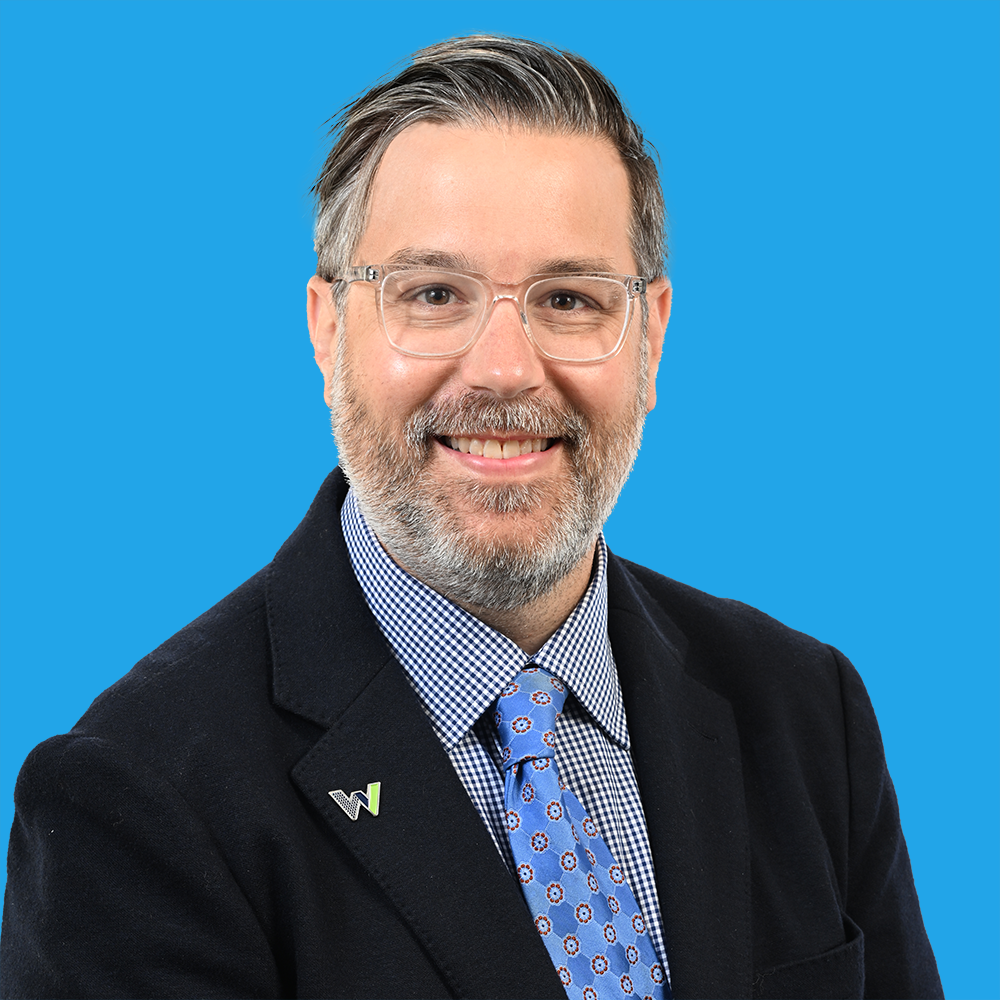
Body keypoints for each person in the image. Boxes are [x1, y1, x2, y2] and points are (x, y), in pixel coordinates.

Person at [1, 35, 942, 1000]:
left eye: (568, 299)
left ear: (651, 336)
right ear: (328, 329)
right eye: (434, 294)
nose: (504, 370)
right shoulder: (138, 798)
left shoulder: (805, 712)